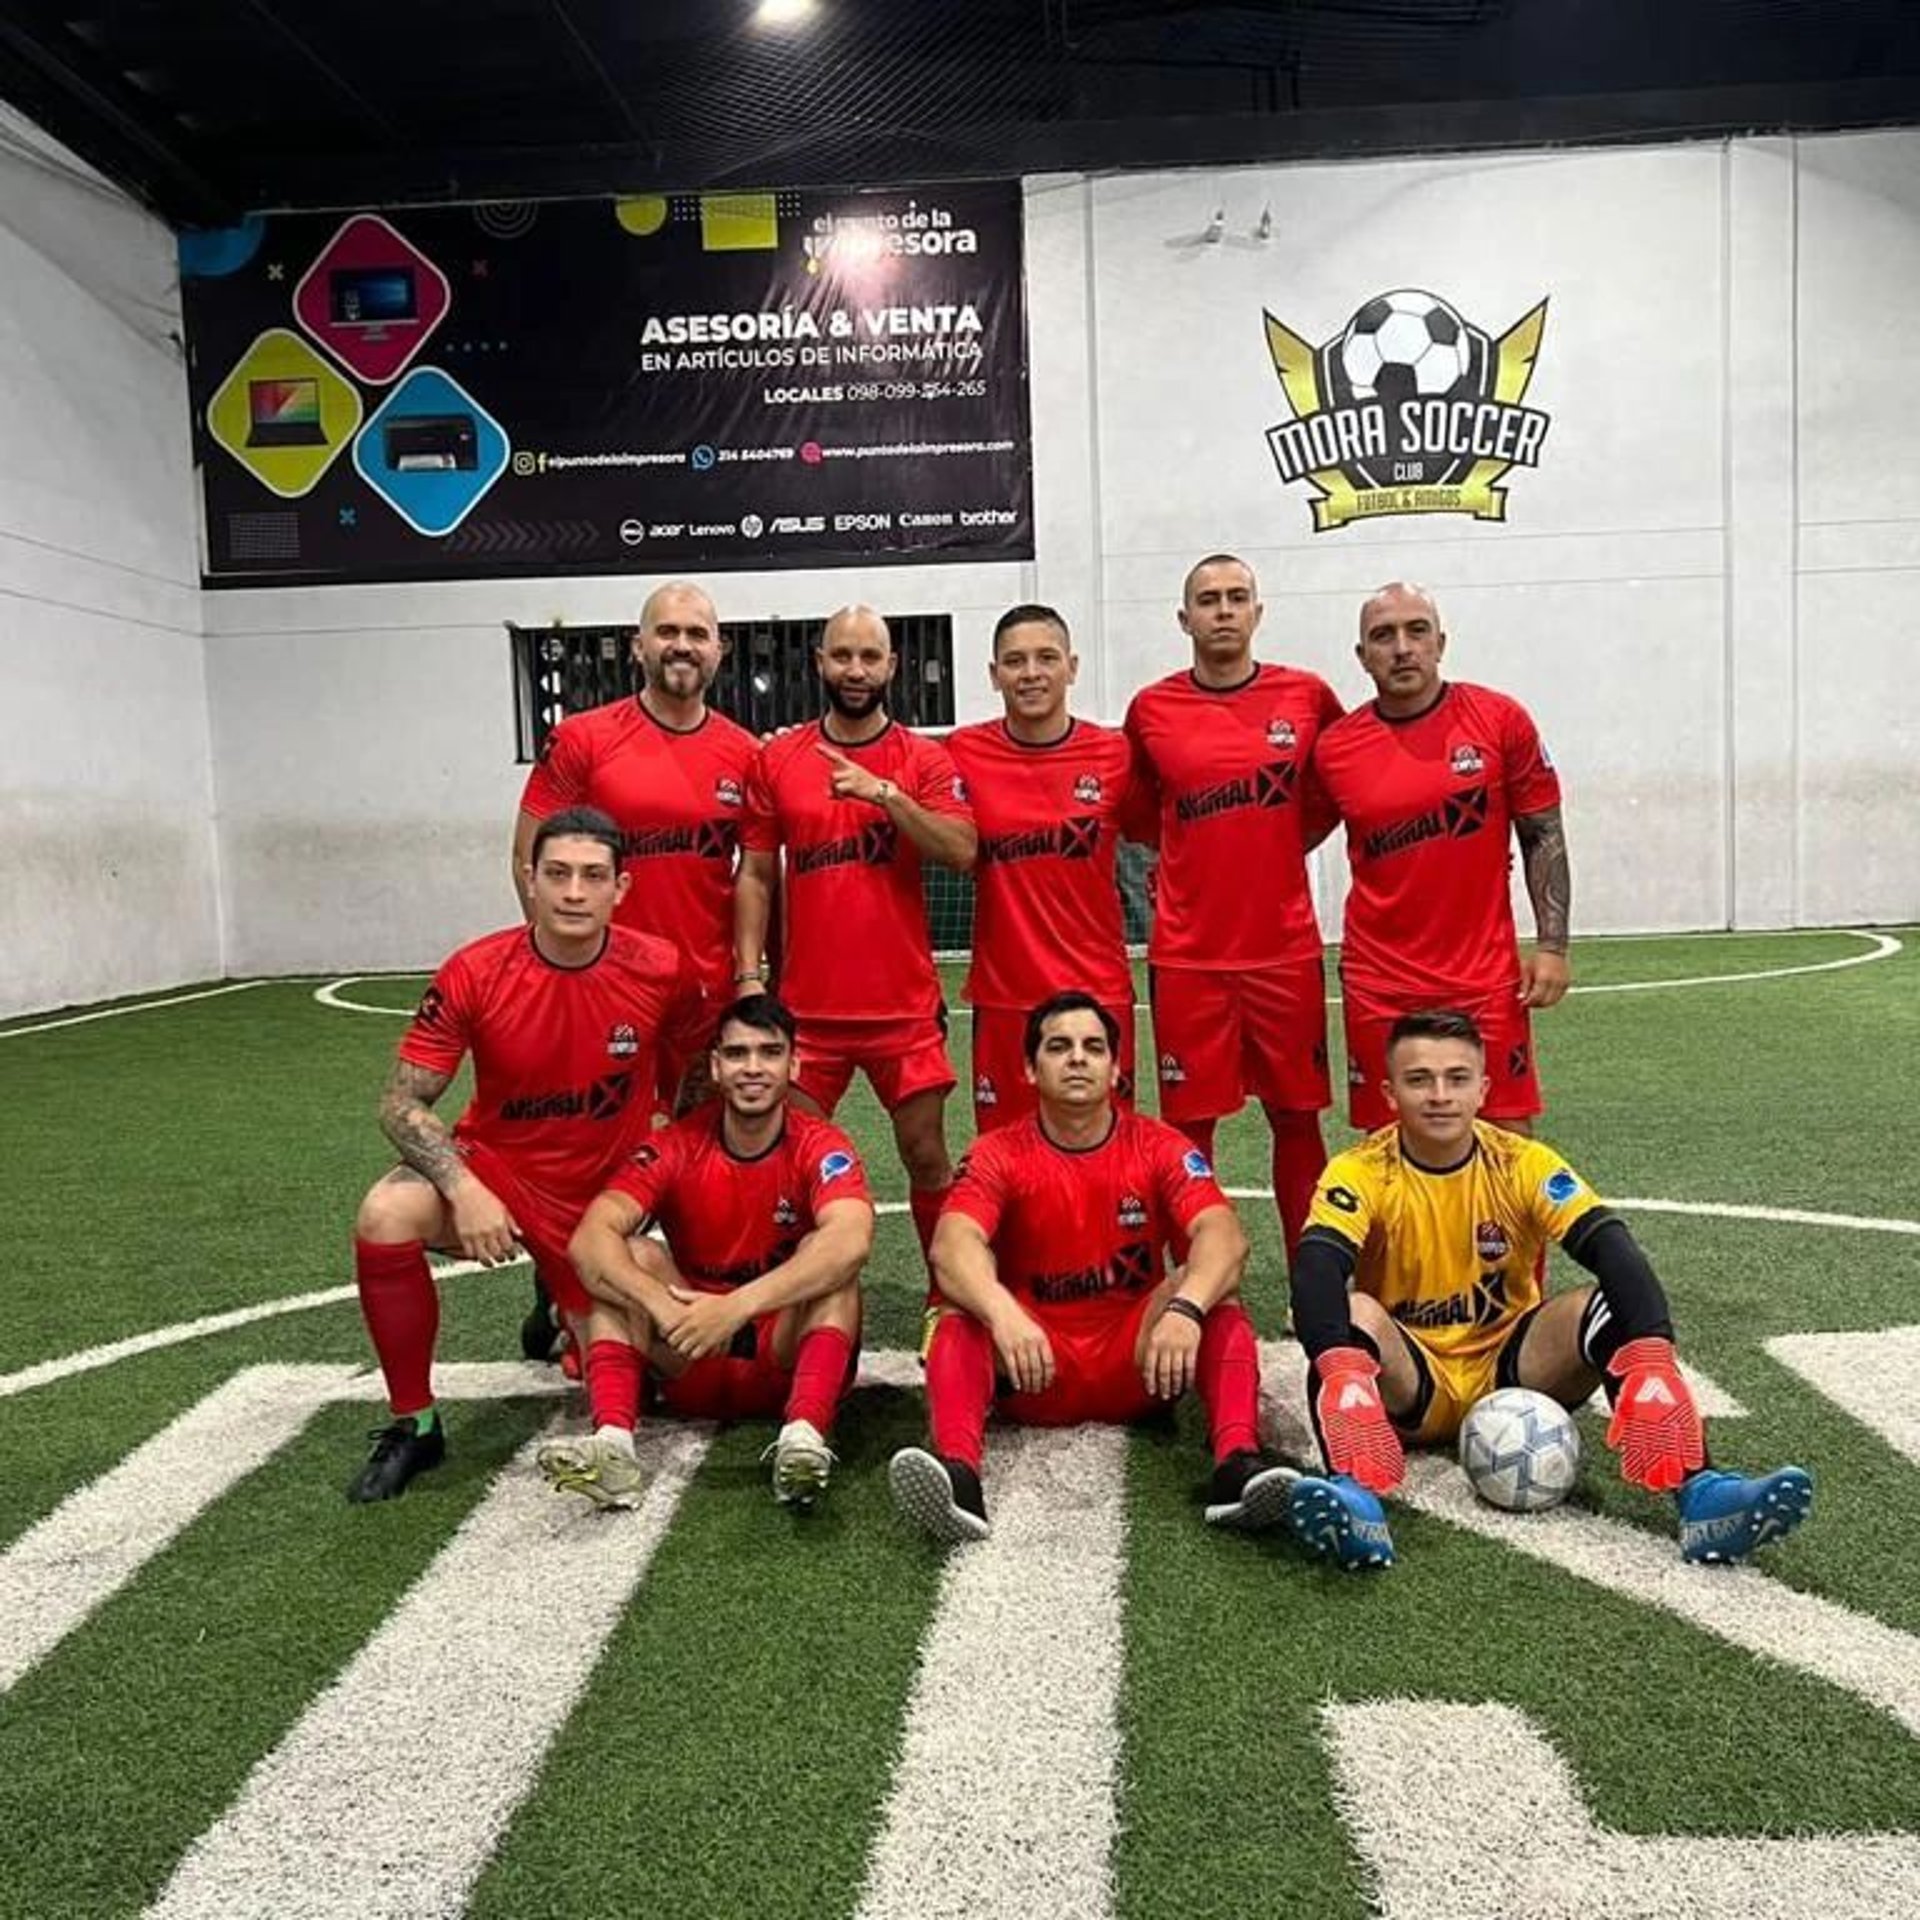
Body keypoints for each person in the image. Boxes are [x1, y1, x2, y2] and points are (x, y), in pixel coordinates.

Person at [1283, 1008, 1814, 1569]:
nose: (1440, 1094)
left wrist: (1653, 1351)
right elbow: (1317, 1265)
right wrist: (1340, 1366)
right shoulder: (1360, 1170)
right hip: (1413, 1381)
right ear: (1390, 1093)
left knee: (1606, 1302)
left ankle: (1704, 1495)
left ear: (1483, 1088)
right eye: (1420, 1080)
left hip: (1516, 1372)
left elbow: (1611, 1247)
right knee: (1350, 1313)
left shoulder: (1522, 1163)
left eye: (1457, 1078)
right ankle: (1355, 1501)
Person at [346, 806, 708, 1503]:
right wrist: (463, 1187)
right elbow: (399, 1104)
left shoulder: (661, 967)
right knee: (385, 1213)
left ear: (621, 889)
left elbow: (698, 1055)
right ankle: (414, 1423)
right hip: (502, 1170)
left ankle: (568, 1321)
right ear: (530, 881)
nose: (575, 892)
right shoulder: (476, 971)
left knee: (677, 1365)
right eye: (558, 874)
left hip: (607, 1188)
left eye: (593, 877)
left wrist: (670, 1134)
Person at [889, 991, 1295, 1544]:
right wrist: (1003, 1313)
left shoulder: (1158, 1145)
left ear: (1115, 1067)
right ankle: (959, 1475)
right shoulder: (996, 1152)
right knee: (958, 1309)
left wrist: (1183, 1307)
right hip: (1033, 1364)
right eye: (1059, 1047)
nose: (1078, 1058)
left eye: (1093, 1047)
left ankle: (1237, 1463)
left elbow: (1224, 1237)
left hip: (1139, 1362)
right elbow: (951, 1244)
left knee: (1214, 1292)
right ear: (1031, 1069)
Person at [511, 579, 757, 1355]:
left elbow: (755, 872)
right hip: (601, 993)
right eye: (667, 632)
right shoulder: (584, 739)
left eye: (697, 633)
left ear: (720, 650)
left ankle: (676, 1292)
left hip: (703, 998)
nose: (681, 645)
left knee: (688, 1152)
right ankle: (561, 1295)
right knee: (589, 1148)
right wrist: (565, 967)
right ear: (637, 645)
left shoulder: (742, 753)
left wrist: (749, 976)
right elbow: (529, 857)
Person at [554, 993, 873, 1511]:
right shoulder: (675, 1145)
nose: (753, 1067)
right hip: (690, 1348)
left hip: (782, 1355)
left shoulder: (822, 1144)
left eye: (769, 1053)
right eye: (738, 1053)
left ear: (794, 1065)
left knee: (830, 1257)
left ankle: (803, 1440)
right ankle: (613, 1447)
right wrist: (660, 1305)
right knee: (626, 1257)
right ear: (716, 1067)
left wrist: (736, 1307)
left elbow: (852, 1240)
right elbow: (589, 1239)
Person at [734, 605, 976, 1266]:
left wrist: (887, 795)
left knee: (926, 1155)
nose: (856, 670)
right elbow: (755, 873)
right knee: (795, 1162)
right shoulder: (778, 758)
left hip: (902, 1009)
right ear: (819, 663)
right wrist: (749, 976)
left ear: (893, 666)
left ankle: (945, 1295)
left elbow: (961, 850)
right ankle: (797, 1300)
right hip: (809, 1012)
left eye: (870, 657)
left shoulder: (923, 760)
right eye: (842, 655)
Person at [1123, 553, 1345, 1261]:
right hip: (1189, 956)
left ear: (1258, 611)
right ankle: (1200, 1284)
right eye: (1208, 599)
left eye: (1236, 597)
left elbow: (1336, 793)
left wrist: (1278, 846)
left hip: (1284, 949)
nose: (1223, 610)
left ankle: (1313, 1286)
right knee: (1190, 1129)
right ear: (1183, 618)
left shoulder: (1306, 697)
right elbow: (1137, 816)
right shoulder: (1151, 709)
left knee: (1298, 1118)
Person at [1310, 581, 1570, 1134]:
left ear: (1440, 642)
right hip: (1379, 981)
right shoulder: (1334, 749)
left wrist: (1552, 946)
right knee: (1387, 1157)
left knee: (1505, 1146)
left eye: (1416, 631)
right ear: (1362, 657)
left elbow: (1542, 833)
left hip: (1482, 979)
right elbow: (1282, 838)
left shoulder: (1500, 720)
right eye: (1383, 636)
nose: (1402, 647)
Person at [945, 603, 1142, 1132]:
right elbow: (886, 762)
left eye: (1046, 658)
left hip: (1098, 992)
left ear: (1072, 667)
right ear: (993, 674)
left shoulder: (1115, 754)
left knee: (1110, 1150)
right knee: (1004, 1153)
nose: (1031, 673)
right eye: (1015, 661)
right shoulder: (963, 751)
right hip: (1004, 996)